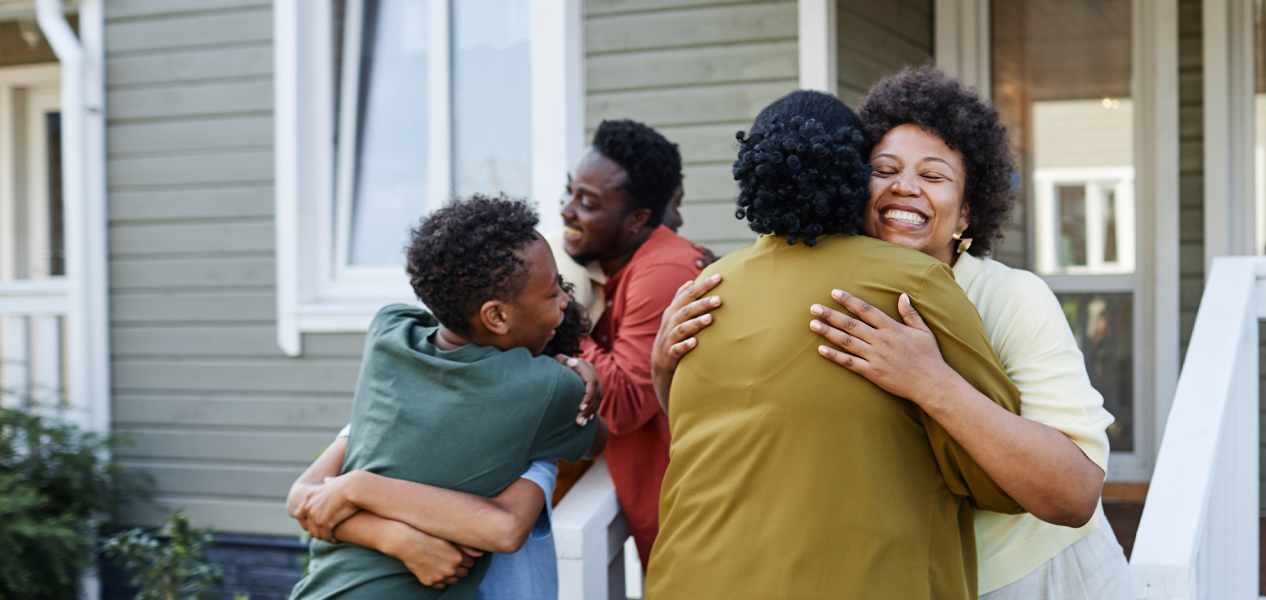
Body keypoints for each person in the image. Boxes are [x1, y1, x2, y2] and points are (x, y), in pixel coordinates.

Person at [655, 66, 1131, 599]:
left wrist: (930, 381)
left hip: (1039, 571)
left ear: (968, 211)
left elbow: (1074, 495)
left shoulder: (1013, 297)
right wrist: (665, 365)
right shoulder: (829, 295)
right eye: (885, 170)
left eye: (933, 176)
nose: (905, 187)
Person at [287, 196, 607, 600]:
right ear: (496, 316)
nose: (564, 300)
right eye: (551, 293)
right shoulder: (545, 390)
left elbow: (303, 499)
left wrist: (364, 497)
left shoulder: (389, 334)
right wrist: (572, 377)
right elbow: (598, 439)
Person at [558, 119, 703, 570]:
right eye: (569, 192)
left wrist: (557, 315)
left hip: (688, 531)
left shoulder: (663, 272)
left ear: (638, 219)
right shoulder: (625, 267)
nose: (566, 210)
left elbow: (621, 402)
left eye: (588, 202)